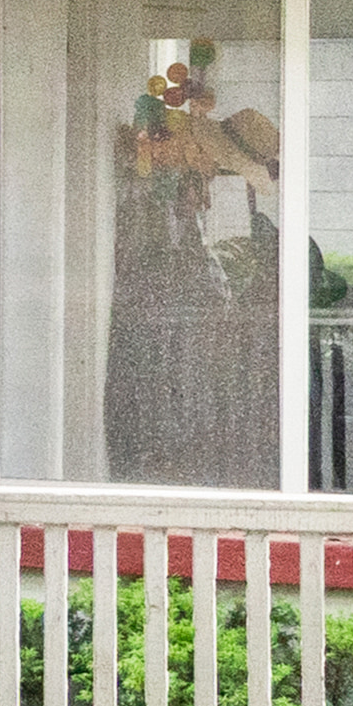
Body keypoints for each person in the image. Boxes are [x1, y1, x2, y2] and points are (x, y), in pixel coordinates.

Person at [100, 39, 283, 484]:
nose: (214, 172)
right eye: (219, 162)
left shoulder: (181, 192)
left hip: (179, 335)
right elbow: (155, 263)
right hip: (151, 329)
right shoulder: (154, 183)